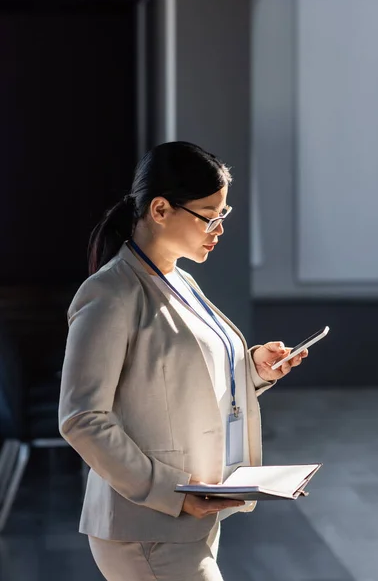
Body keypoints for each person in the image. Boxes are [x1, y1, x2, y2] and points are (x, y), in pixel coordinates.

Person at [58, 141, 307, 581]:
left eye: (223, 215)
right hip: (147, 526)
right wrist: (170, 491)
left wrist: (253, 369)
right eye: (210, 215)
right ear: (160, 209)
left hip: (191, 514)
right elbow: (82, 418)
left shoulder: (180, 279)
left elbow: (177, 378)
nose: (219, 228)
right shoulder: (110, 293)